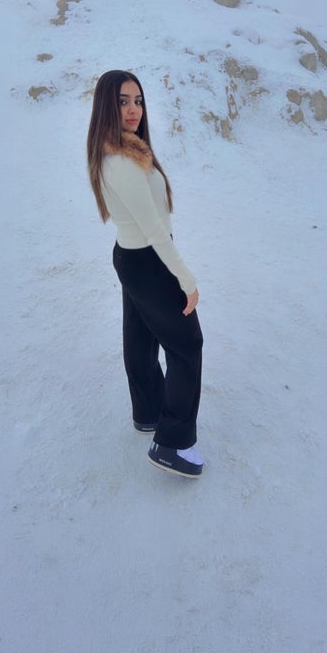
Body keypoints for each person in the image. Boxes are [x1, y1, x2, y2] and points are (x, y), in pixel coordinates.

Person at [87, 70, 204, 478]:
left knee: (140, 337)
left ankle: (148, 412)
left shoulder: (122, 151)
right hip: (149, 260)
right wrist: (186, 279)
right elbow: (154, 229)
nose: (133, 109)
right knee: (187, 344)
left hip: (132, 257)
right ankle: (172, 443)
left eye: (137, 100)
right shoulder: (120, 162)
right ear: (106, 106)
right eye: (122, 101)